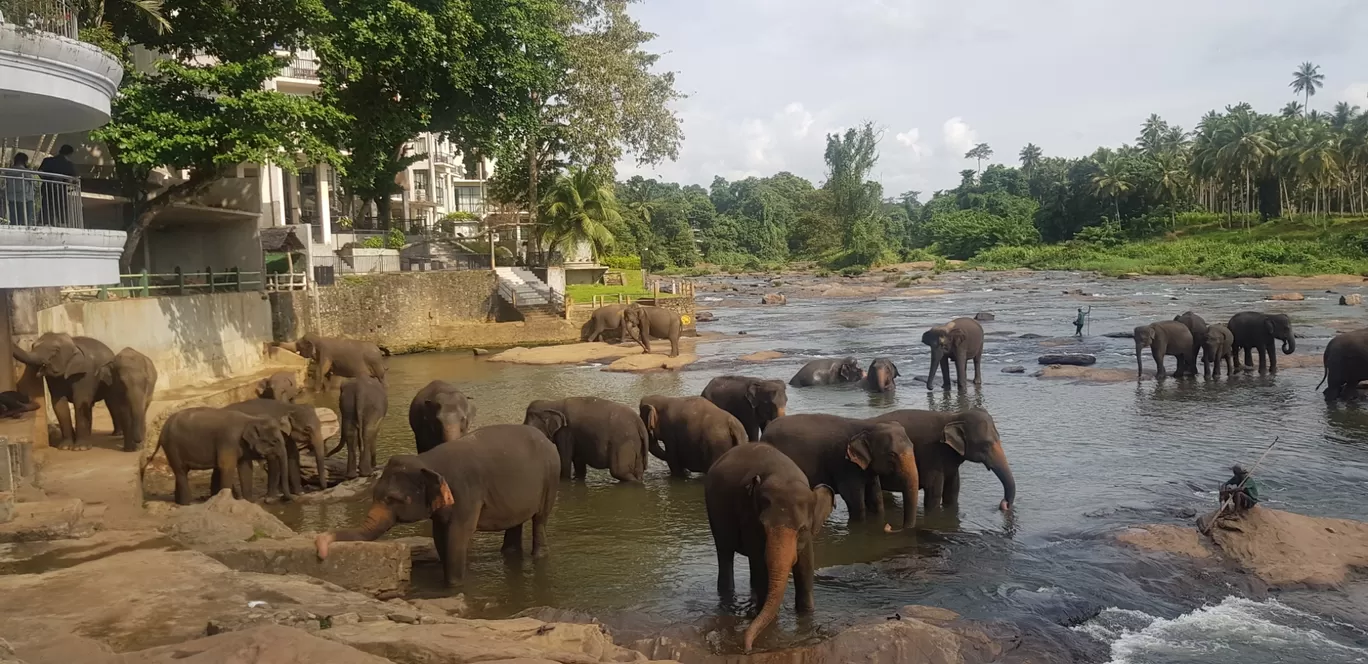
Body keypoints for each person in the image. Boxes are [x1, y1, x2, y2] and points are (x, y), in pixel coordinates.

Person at [37, 145, 78, 225]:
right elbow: (73, 178)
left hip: (47, 188)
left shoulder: (47, 160)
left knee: (46, 206)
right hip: (60, 190)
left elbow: (40, 172)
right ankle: (61, 223)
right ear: (70, 154)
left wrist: (47, 179)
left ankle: (44, 223)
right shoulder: (68, 164)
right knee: (61, 208)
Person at [4, 152, 38, 226]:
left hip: (12, 198)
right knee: (26, 222)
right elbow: (34, 184)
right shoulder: (26, 172)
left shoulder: (8, 171)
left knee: (14, 221)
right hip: (26, 198)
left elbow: (5, 184)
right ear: (25, 161)